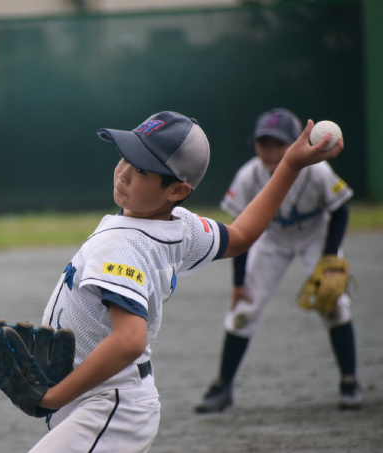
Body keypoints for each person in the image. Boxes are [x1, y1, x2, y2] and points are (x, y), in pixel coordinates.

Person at [26, 110, 343, 452]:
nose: (123, 173)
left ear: (177, 189)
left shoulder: (123, 246)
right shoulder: (180, 226)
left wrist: (51, 398)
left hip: (107, 402)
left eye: (142, 169)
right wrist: (290, 166)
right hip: (102, 396)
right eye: (126, 157)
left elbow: (131, 340)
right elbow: (240, 235)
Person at [194, 108, 362, 415]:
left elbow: (340, 209)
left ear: (298, 143)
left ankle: (350, 381)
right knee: (244, 309)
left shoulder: (317, 170)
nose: (271, 152)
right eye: (264, 144)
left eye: (279, 144)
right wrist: (238, 283)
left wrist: (330, 257)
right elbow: (238, 230)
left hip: (316, 234)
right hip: (271, 238)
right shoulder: (249, 176)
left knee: (334, 303)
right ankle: (223, 387)